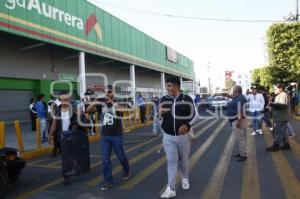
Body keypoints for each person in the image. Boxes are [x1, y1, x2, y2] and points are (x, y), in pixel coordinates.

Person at [159, 77, 197, 199]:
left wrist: (187, 125)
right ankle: (171, 188)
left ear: (176, 86)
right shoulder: (164, 99)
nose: (167, 88)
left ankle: (185, 177)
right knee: (171, 162)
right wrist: (159, 113)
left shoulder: (187, 99)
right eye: (167, 86)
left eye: (169, 86)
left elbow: (195, 115)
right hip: (168, 136)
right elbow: (159, 116)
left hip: (183, 137)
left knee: (184, 160)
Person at [86, 86, 130, 191]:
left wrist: (111, 101)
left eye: (109, 92)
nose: (107, 94)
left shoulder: (119, 102)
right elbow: (88, 110)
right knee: (105, 160)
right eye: (106, 92)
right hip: (105, 135)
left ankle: (126, 168)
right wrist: (95, 101)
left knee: (120, 156)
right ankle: (108, 181)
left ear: (113, 93)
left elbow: (121, 110)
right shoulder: (102, 105)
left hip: (117, 135)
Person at [48, 92, 90, 185]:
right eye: (62, 100)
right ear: (59, 100)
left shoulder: (75, 108)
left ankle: (76, 167)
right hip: (62, 137)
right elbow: (54, 124)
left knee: (75, 155)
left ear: (68, 99)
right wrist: (50, 135)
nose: (64, 101)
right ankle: (66, 175)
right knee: (65, 157)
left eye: (65, 99)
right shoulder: (57, 110)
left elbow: (83, 121)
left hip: (74, 136)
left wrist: (79, 114)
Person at [266, 84, 291, 151]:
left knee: (278, 132)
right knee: (283, 132)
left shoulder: (283, 95)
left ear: (280, 88)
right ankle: (286, 145)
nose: (274, 90)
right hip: (281, 117)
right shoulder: (281, 95)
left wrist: (271, 104)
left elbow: (282, 106)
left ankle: (276, 146)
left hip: (281, 117)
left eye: (275, 89)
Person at [228, 85, 248, 162]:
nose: (232, 90)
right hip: (236, 119)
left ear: (236, 91)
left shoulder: (240, 98)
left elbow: (241, 111)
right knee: (239, 138)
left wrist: (239, 122)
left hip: (238, 120)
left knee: (240, 138)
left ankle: (243, 155)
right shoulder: (238, 97)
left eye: (233, 89)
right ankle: (241, 152)